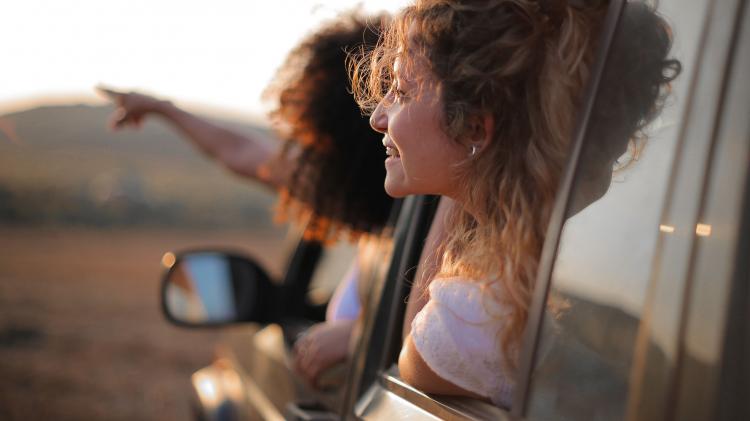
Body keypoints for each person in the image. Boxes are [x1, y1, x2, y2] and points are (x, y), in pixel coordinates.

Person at [352, 0, 679, 408]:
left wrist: (465, 184)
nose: (378, 116)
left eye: (400, 92)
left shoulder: (476, 316)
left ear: (474, 126)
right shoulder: (578, 270)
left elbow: (417, 355)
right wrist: (474, 175)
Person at [99, 12, 394, 387]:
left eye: (311, 141)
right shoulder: (376, 214)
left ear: (341, 143)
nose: (301, 154)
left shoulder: (424, 228)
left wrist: (360, 338)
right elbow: (240, 151)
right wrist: (163, 109)